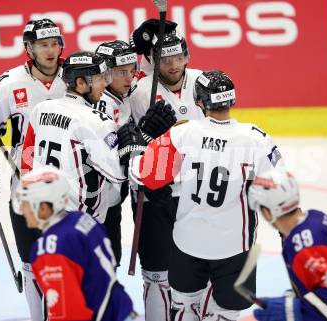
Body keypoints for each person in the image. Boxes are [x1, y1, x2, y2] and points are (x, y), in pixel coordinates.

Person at [118, 70, 287, 321]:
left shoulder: (182, 133)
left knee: (184, 305)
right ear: (232, 100)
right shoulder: (256, 138)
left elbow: (145, 175)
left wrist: (136, 148)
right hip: (235, 246)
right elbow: (280, 191)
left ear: (199, 101)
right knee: (227, 312)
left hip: (187, 243)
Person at [0, 18, 66, 321]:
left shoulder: (76, 76)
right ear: (29, 49)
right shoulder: (9, 84)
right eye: (42, 45)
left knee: (68, 258)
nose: (50, 51)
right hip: (26, 184)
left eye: (54, 43)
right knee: (32, 260)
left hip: (73, 184)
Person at [126, 27, 205, 321]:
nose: (173, 65)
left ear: (187, 56)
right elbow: (127, 144)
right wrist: (145, 137)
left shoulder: (203, 83)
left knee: (198, 267)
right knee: (157, 274)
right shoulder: (138, 92)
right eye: (165, 59)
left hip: (195, 192)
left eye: (179, 57)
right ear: (153, 60)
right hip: (153, 194)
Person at [248, 170, 327, 321]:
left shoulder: (303, 244)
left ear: (268, 213)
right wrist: (296, 297)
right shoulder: (315, 218)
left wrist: (291, 309)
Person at [13, 165, 135, 321]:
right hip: (118, 309)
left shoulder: (50, 248)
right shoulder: (82, 219)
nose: (22, 210)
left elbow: (68, 312)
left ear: (43, 207)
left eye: (26, 203)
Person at [21, 50, 126, 224]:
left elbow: (28, 157)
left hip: (47, 215)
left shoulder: (41, 109)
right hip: (80, 221)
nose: (105, 85)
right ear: (81, 83)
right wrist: (135, 144)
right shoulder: (96, 121)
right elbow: (118, 174)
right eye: (100, 78)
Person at [94, 40, 138, 265]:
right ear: (106, 73)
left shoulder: (123, 94)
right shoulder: (100, 104)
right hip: (95, 200)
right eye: (122, 72)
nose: (130, 77)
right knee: (100, 267)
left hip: (113, 197)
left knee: (111, 263)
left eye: (132, 70)